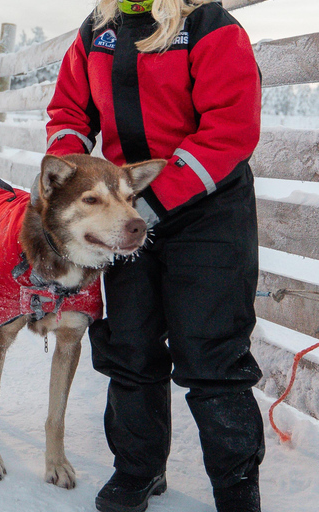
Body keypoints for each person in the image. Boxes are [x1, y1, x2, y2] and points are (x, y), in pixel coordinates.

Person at [45, 1, 264, 511]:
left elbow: (229, 127)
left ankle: (237, 489)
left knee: (210, 349)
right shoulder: (97, 31)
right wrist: (76, 175)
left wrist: (147, 202)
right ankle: (139, 470)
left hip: (206, 209)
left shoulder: (210, 28)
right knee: (130, 343)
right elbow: (69, 113)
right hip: (124, 216)